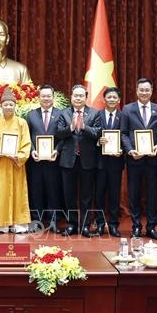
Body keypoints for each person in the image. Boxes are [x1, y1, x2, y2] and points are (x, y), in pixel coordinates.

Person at [120, 78, 157, 240]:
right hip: (134, 159)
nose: (144, 92)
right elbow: (124, 133)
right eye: (141, 90)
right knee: (134, 193)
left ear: (151, 91)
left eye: (147, 90)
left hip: (152, 159)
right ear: (136, 91)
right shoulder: (127, 109)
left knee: (152, 194)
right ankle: (136, 226)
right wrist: (130, 150)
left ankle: (151, 227)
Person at [55, 84, 102, 237]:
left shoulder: (94, 113)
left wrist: (83, 127)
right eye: (75, 95)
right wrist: (70, 128)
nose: (78, 98)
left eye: (81, 96)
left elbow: (97, 133)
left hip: (87, 160)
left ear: (86, 97)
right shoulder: (64, 113)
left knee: (86, 196)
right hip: (68, 160)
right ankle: (72, 224)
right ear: (71, 97)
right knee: (69, 195)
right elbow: (59, 133)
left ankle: (85, 225)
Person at [0, 88, 32, 233]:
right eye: (6, 104)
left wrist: (19, 156)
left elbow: (26, 143)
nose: (8, 107)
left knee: (18, 193)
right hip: (1, 164)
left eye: (11, 104)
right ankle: (1, 224)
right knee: (0, 193)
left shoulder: (22, 123)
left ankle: (19, 224)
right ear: (1, 106)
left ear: (15, 106)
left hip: (16, 164)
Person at [25, 85, 63, 233]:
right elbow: (27, 137)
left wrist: (57, 150)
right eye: (43, 96)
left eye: (48, 96)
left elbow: (64, 137)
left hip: (54, 160)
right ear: (38, 97)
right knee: (36, 191)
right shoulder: (31, 115)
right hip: (36, 161)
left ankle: (54, 221)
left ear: (53, 97)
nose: (46, 98)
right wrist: (32, 150)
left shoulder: (61, 114)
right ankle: (36, 221)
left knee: (54, 191)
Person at [95, 87, 124, 237]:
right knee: (99, 194)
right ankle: (100, 224)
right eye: (109, 97)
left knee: (114, 194)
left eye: (114, 97)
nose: (112, 99)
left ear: (119, 100)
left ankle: (113, 224)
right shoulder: (97, 115)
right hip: (100, 162)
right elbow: (91, 135)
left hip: (116, 162)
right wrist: (98, 142)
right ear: (104, 99)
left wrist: (122, 150)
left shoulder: (123, 116)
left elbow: (125, 136)